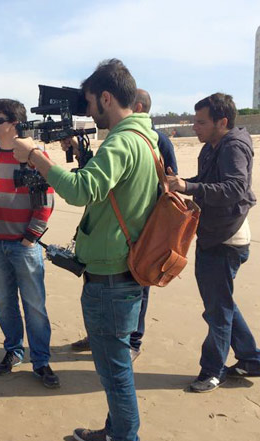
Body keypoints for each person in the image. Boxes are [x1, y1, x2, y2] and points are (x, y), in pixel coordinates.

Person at [13, 59, 158, 441]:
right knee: (118, 368)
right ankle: (116, 433)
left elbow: (82, 192)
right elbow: (111, 188)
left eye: (90, 102)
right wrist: (81, 155)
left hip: (111, 277)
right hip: (124, 270)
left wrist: (37, 159)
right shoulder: (144, 137)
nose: (87, 110)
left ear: (106, 98)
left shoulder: (123, 140)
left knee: (115, 374)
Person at [166, 93, 260, 393]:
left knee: (217, 308)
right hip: (215, 233)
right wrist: (183, 183)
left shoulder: (234, 146)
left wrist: (189, 186)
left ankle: (213, 370)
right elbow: (208, 179)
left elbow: (235, 188)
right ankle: (252, 360)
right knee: (221, 303)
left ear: (222, 122)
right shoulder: (212, 146)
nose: (194, 126)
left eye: (201, 122)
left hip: (226, 238)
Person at [70, 88, 179, 361]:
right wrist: (79, 153)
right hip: (113, 231)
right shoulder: (122, 139)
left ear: (137, 106)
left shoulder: (153, 140)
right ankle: (104, 335)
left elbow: (167, 182)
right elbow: (105, 180)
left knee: (138, 285)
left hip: (139, 231)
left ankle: (133, 340)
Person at [0, 98, 59, 389]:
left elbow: (46, 200)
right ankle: (13, 350)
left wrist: (30, 237)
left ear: (14, 124)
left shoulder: (36, 154)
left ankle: (41, 361)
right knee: (3, 302)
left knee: (34, 305)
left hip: (24, 244)